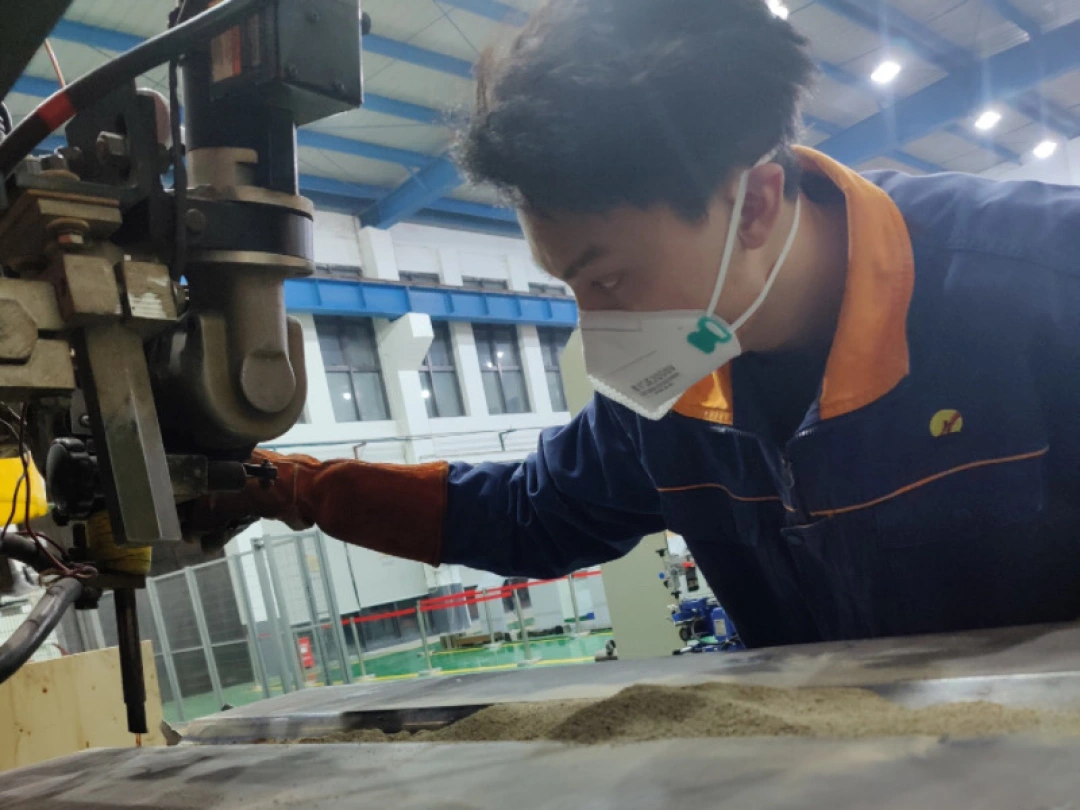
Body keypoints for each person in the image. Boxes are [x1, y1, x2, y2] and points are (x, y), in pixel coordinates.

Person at [187, 0, 1080, 649]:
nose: (597, 324)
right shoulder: (675, 385)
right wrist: (290, 487)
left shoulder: (1043, 285)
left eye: (608, 277)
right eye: (569, 284)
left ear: (754, 202)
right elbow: (533, 514)